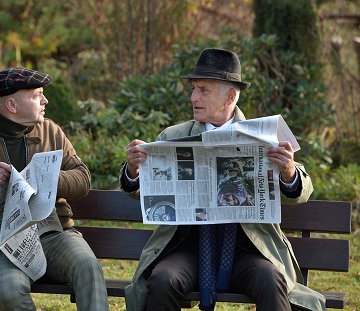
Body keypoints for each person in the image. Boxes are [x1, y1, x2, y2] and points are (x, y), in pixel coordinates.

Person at [119, 49, 325, 311]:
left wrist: (288, 172)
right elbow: (138, 190)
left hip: (248, 248)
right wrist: (134, 170)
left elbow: (303, 189)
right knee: (162, 280)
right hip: (187, 247)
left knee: (270, 279)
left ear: (230, 96)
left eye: (203, 90)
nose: (193, 97)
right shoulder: (172, 135)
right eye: (193, 89)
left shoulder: (263, 135)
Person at [0, 67, 109, 311]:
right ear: (12, 105)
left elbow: (83, 180)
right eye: (37, 94)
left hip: (54, 235)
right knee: (10, 292)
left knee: (88, 267)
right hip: (0, 247)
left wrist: (50, 178)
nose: (45, 100)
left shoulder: (52, 131)